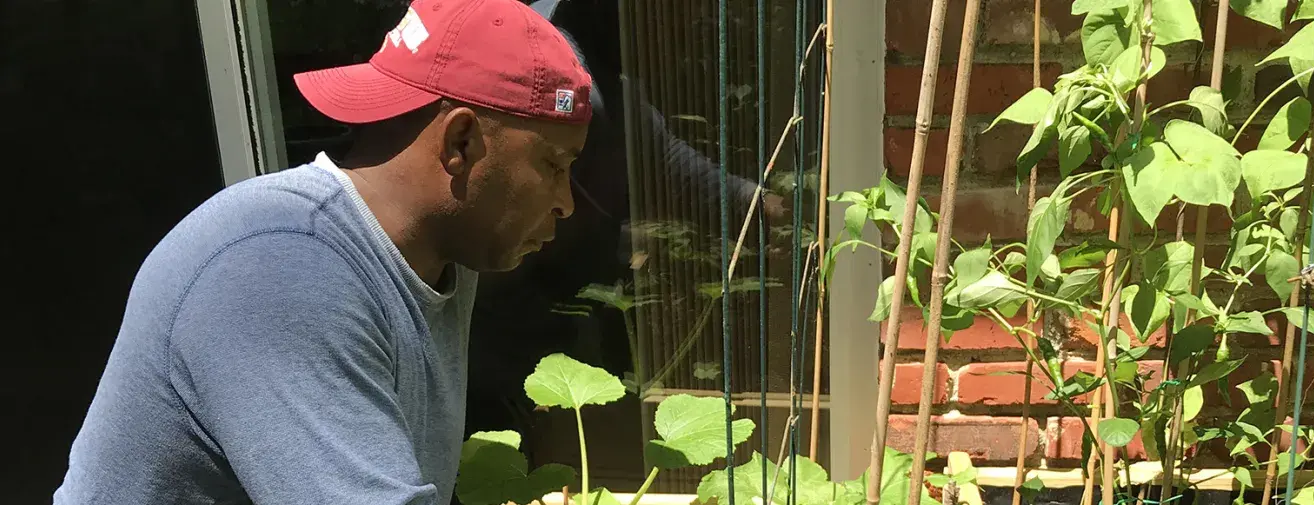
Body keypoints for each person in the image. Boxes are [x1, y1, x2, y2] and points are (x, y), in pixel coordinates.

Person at [54, 0, 590, 503]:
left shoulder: (441, 255)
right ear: (461, 143)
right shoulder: (279, 267)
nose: (566, 202)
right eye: (554, 165)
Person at [462, 0, 787, 454]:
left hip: (562, 309)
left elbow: (668, 161)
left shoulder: (604, 84)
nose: (660, 31)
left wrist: (754, 204)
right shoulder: (559, 79)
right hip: (517, 318)